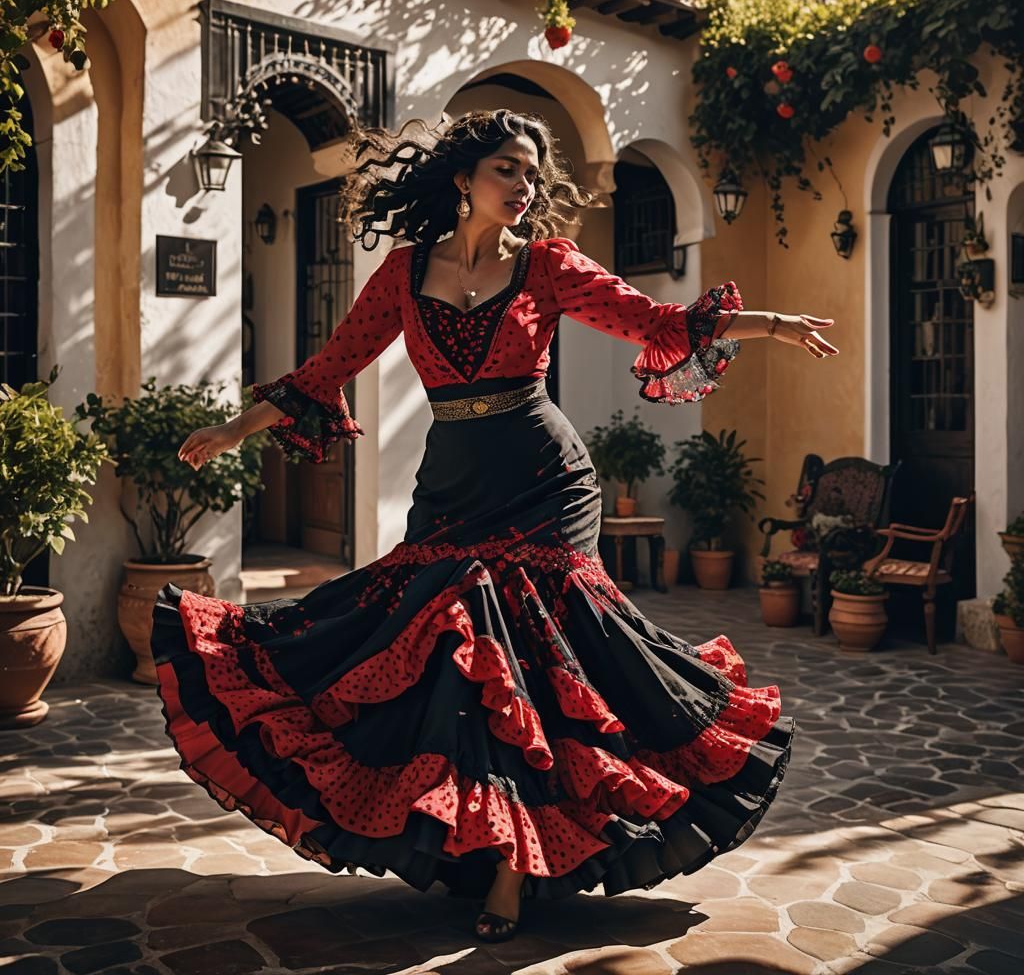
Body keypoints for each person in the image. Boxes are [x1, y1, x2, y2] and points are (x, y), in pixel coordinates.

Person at [153, 108, 837, 944]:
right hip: (454, 487)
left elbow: (655, 324)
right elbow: (331, 367)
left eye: (532, 173)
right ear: (463, 178)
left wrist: (771, 325)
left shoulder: (548, 265)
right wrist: (235, 428)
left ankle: (514, 870)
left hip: (546, 482)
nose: (523, 186)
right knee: (450, 656)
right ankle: (480, 834)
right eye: (507, 168)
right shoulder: (404, 274)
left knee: (532, 656)